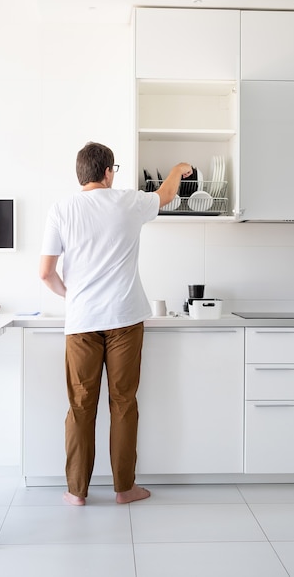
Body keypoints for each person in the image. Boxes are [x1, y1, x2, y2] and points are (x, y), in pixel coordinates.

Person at [39, 141, 192, 506]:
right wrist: (178, 167)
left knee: (80, 406)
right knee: (123, 403)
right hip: (124, 319)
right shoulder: (129, 201)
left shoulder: (61, 209)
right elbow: (166, 194)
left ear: (82, 174)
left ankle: (77, 492)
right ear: (108, 172)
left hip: (81, 322)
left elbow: (45, 273)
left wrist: (71, 297)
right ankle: (125, 489)